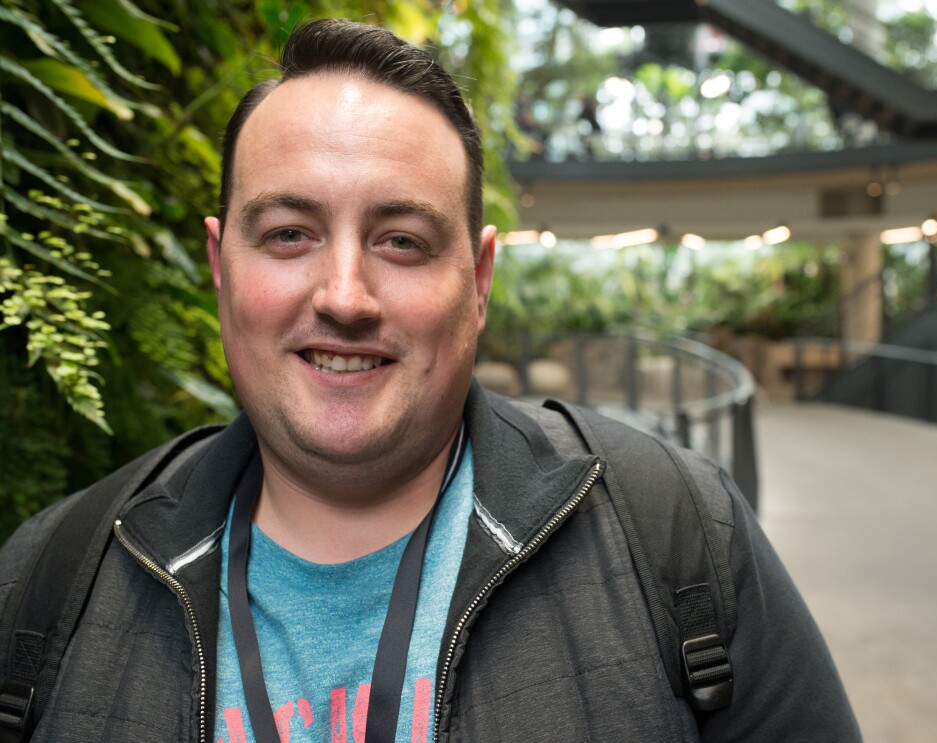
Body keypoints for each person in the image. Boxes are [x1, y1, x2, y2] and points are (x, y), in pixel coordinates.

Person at [0, 19, 860, 743]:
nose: (344, 297)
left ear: (479, 280)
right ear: (221, 266)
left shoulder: (674, 537)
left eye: (402, 240)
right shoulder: (50, 583)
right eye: (290, 233)